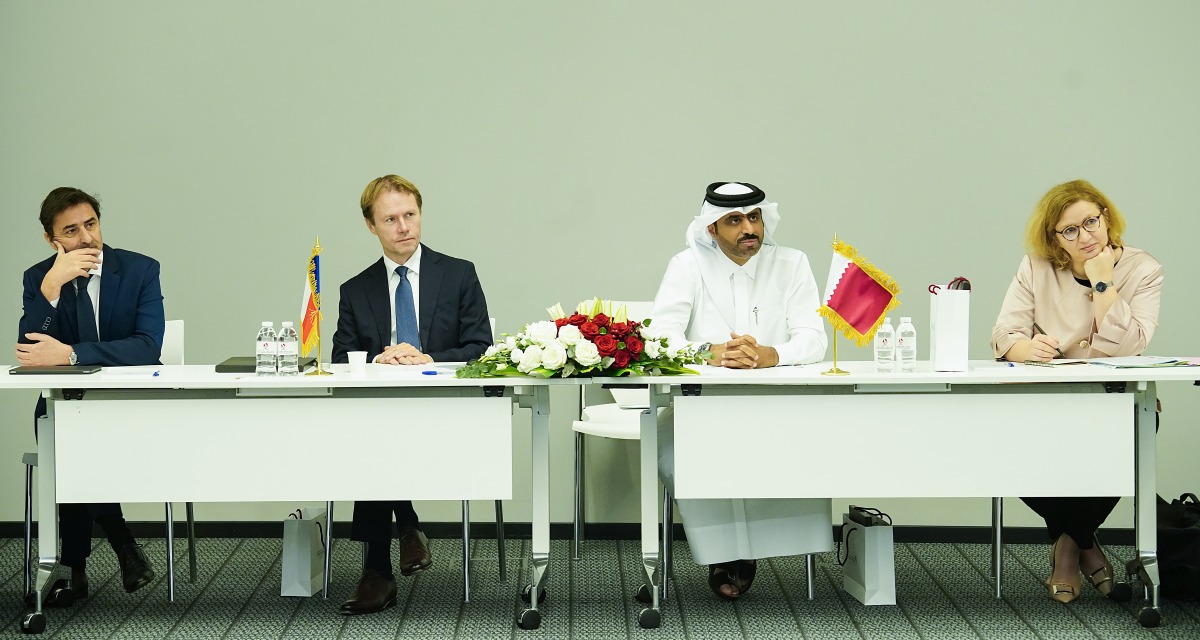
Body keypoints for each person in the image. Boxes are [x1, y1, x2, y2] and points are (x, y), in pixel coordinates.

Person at [650, 181, 831, 600]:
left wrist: (772, 354)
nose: (748, 228)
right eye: (734, 220)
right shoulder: (687, 265)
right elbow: (658, 338)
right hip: (700, 406)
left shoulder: (791, 263)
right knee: (676, 452)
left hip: (777, 401)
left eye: (754, 217)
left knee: (792, 445)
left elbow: (813, 339)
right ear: (712, 229)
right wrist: (709, 352)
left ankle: (760, 548)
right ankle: (723, 553)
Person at [992, 179, 1163, 603]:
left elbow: (1130, 345)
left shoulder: (1144, 269)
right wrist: (1025, 347)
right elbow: (1002, 333)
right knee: (1000, 444)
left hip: (1114, 399)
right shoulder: (1036, 267)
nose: (1085, 236)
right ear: (1055, 238)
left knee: (1130, 441)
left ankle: (1066, 552)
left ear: (1106, 216)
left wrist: (1103, 281)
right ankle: (1085, 544)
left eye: (1091, 222)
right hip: (1046, 400)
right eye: (1070, 230)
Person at [331, 174, 492, 615]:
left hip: (447, 410)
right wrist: (378, 360)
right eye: (390, 219)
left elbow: (482, 347)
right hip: (382, 411)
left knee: (376, 441)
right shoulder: (355, 289)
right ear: (371, 226)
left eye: (410, 215)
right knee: (377, 435)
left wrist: (427, 358)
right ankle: (402, 535)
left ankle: (379, 568)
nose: (403, 227)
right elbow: (342, 357)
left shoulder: (458, 274)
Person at [16, 187, 163, 603]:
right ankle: (124, 547)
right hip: (69, 401)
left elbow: (147, 346)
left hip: (126, 401)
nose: (86, 238)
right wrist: (51, 289)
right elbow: (29, 349)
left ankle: (74, 568)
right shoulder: (38, 278)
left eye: (91, 224)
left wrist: (71, 353)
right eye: (71, 230)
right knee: (64, 430)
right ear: (51, 239)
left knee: (73, 441)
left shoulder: (139, 270)